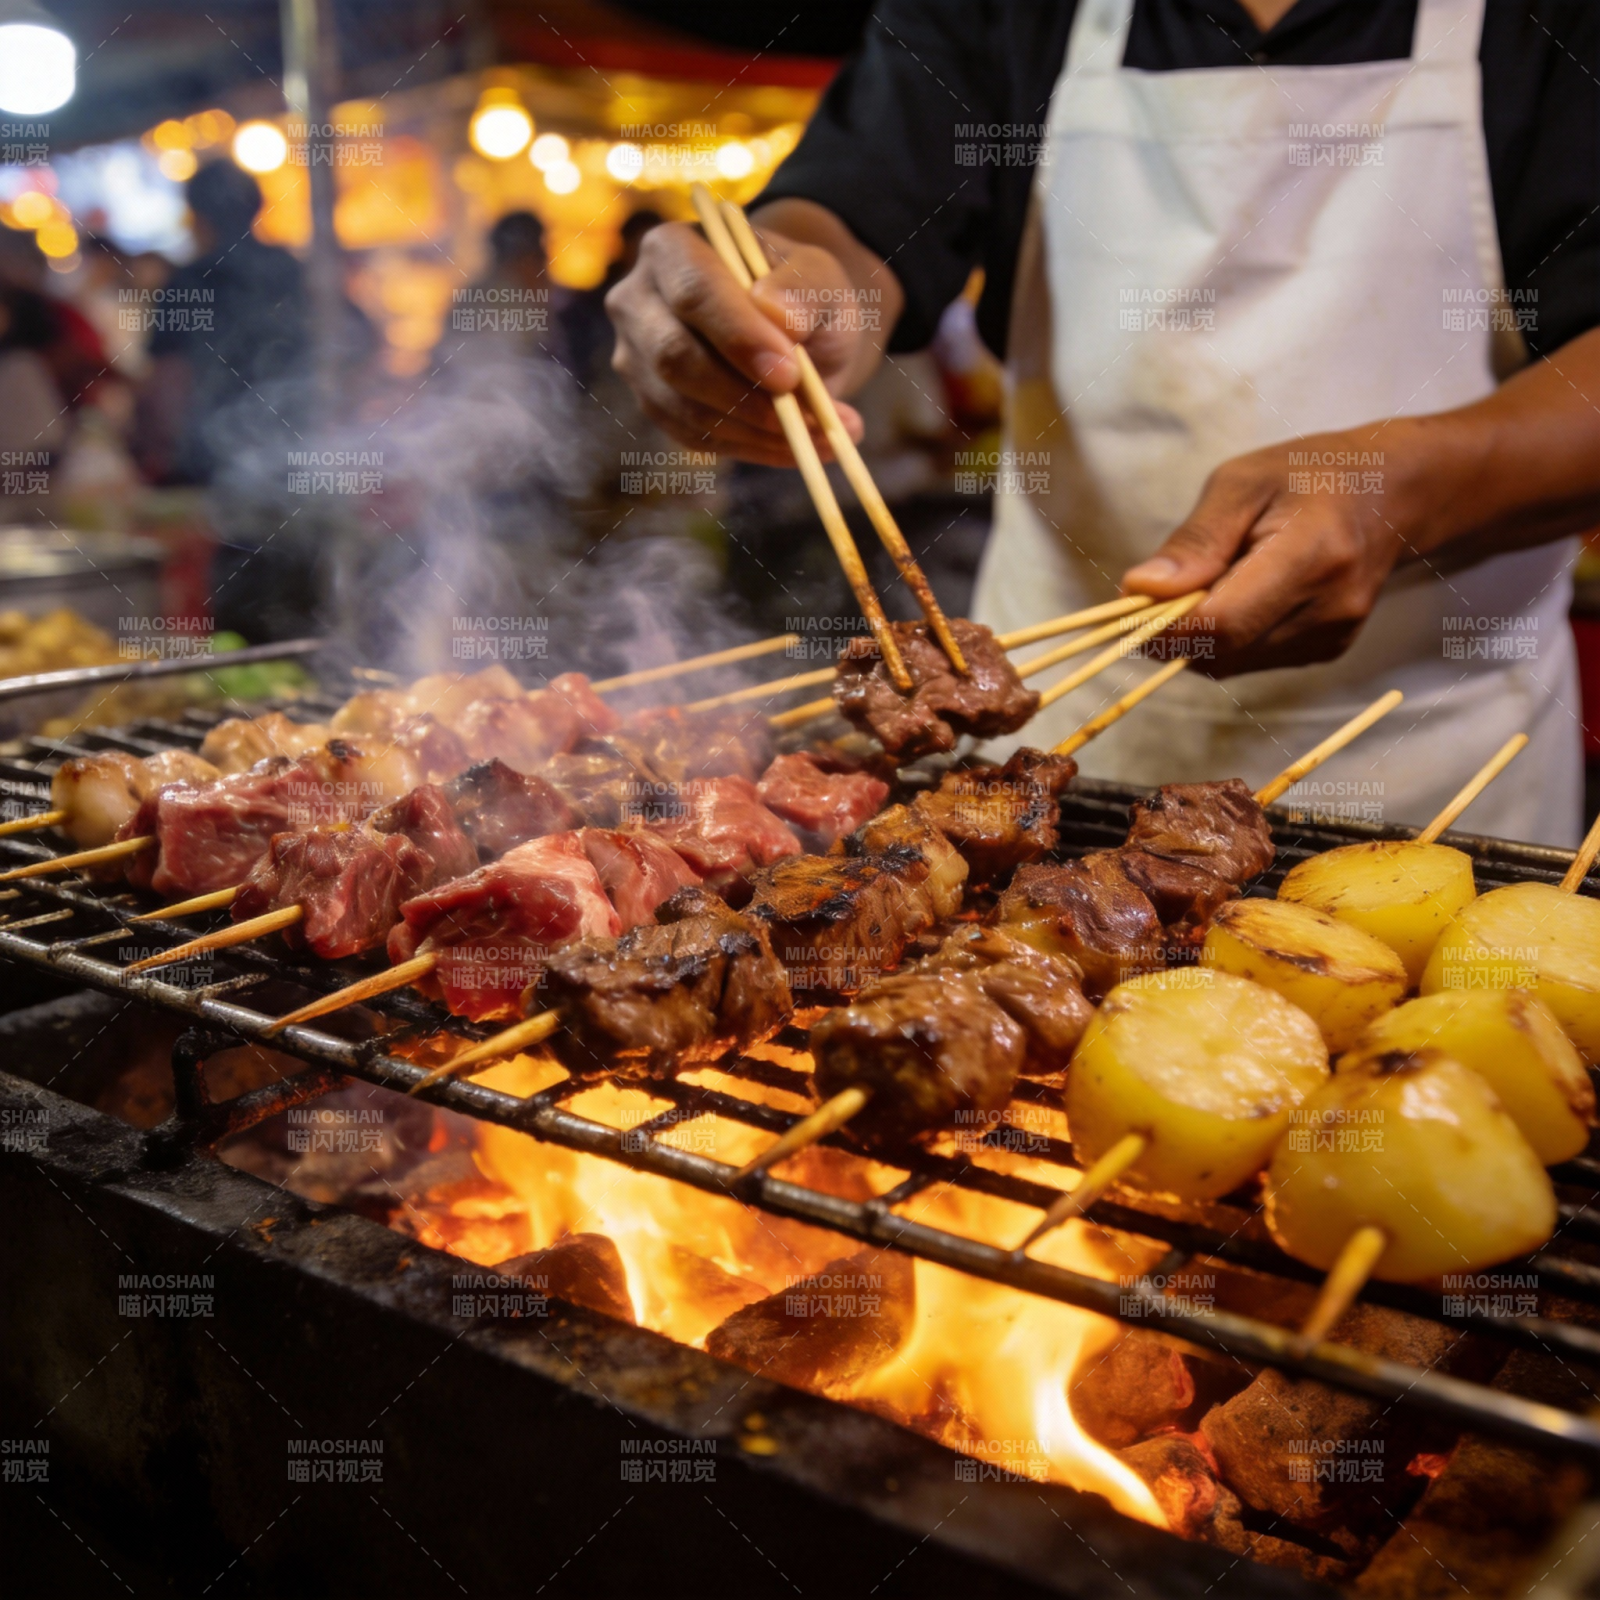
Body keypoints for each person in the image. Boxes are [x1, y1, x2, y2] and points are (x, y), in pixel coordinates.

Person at [605, 0, 1600, 846]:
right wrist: (792, 302)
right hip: (1046, 762)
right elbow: (855, 223)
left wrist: (1417, 489)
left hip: (1436, 766)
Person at [135, 160, 308, 487]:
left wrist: (163, 446)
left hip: (213, 458)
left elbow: (170, 376)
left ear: (196, 214)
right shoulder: (292, 272)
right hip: (297, 448)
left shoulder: (190, 281)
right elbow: (355, 348)